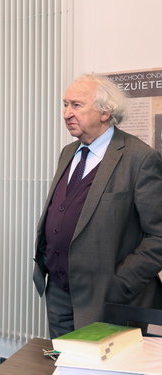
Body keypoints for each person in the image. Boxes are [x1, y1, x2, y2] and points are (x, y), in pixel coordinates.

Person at [33, 74, 162, 338]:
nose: (67, 113)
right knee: (65, 363)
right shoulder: (68, 152)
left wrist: (120, 285)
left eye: (76, 105)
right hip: (59, 292)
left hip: (109, 299)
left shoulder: (140, 158)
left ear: (106, 111)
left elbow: (158, 236)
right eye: (65, 104)